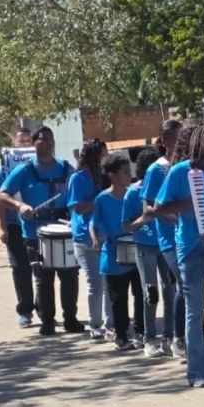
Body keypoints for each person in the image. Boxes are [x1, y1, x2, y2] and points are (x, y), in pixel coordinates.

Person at [156, 123, 204, 387]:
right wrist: (189, 204)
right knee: (194, 311)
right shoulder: (180, 171)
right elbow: (159, 207)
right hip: (190, 248)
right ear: (198, 140)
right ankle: (198, 371)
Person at [0, 126, 82, 336]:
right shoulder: (24, 170)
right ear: (34, 143)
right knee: (43, 279)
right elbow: (2, 194)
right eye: (42, 139)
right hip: (35, 234)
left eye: (50, 138)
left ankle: (70, 319)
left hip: (64, 231)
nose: (47, 142)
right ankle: (47, 321)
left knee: (70, 276)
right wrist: (20, 206)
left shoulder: (66, 168)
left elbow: (78, 193)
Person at [123, 148, 175, 357]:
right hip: (145, 246)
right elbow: (126, 226)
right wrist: (144, 218)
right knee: (150, 292)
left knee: (171, 290)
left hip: (166, 244)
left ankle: (170, 337)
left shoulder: (167, 190)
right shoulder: (133, 193)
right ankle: (149, 338)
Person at [141, 119, 185, 358]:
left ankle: (175, 336)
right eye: (177, 138)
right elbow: (148, 207)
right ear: (165, 141)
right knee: (180, 284)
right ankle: (173, 337)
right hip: (169, 237)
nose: (180, 143)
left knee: (180, 288)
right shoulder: (156, 169)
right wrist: (174, 218)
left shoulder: (186, 166)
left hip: (188, 236)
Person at [91, 153, 140, 351]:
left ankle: (140, 332)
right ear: (112, 175)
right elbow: (94, 223)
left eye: (130, 171)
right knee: (118, 299)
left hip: (136, 251)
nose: (129, 175)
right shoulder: (102, 199)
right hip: (113, 255)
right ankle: (121, 336)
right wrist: (95, 240)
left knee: (140, 294)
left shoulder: (132, 194)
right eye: (125, 172)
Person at [68, 139, 111, 340]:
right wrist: (100, 199)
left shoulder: (105, 177)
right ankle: (95, 324)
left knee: (108, 281)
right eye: (103, 154)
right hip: (85, 237)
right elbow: (78, 208)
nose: (106, 157)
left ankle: (110, 323)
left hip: (106, 233)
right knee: (95, 282)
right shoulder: (78, 178)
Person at [0, 128, 35, 327]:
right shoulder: (4, 171)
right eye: (21, 141)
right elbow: (0, 201)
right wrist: (2, 228)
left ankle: (45, 311)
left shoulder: (39, 167)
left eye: (28, 141)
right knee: (20, 268)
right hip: (14, 226)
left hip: (35, 225)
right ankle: (25, 311)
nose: (25, 144)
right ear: (14, 145)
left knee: (41, 270)